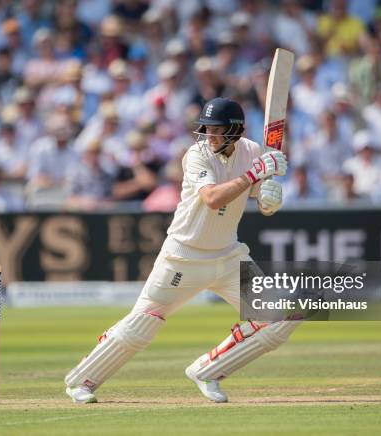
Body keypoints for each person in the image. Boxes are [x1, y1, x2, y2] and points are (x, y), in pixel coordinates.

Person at [64, 98, 294, 404]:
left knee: (280, 316)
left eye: (217, 130)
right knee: (143, 322)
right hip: (183, 256)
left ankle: (208, 370)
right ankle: (81, 381)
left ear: (236, 131)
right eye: (207, 129)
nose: (210, 136)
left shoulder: (252, 152)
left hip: (228, 256)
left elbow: (257, 198)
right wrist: (254, 176)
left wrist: (268, 197)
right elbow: (213, 198)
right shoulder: (196, 155)